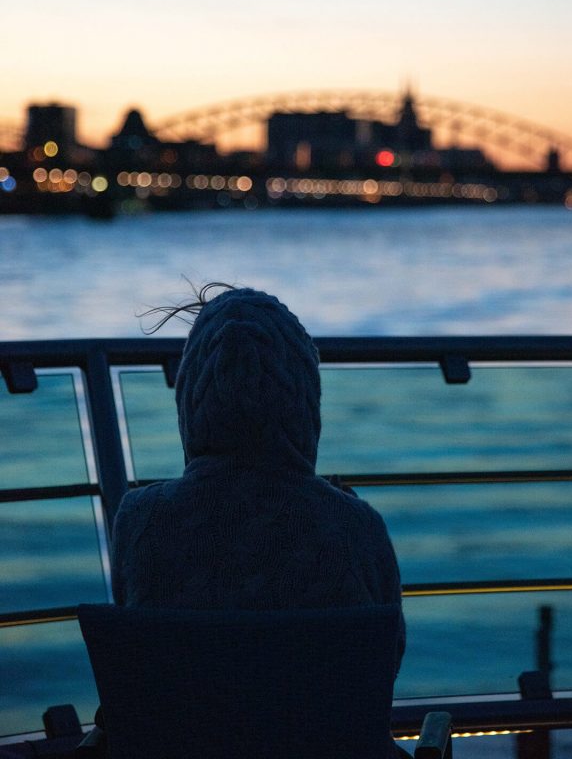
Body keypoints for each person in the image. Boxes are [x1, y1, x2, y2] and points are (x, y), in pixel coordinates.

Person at [111, 283, 406, 679]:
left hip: (185, 742)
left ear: (190, 396)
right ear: (305, 399)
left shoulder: (141, 521)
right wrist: (337, 509)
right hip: (317, 741)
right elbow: (385, 668)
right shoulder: (355, 528)